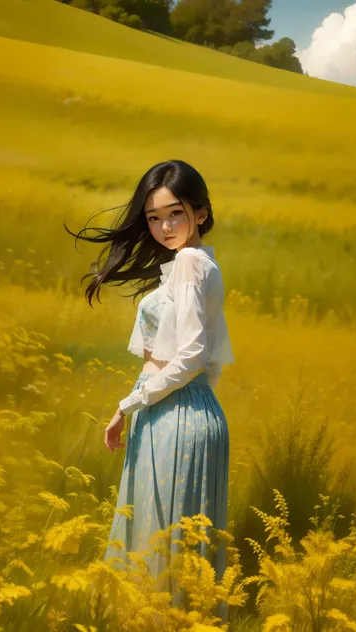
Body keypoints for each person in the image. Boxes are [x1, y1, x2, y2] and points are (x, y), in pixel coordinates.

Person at [65, 159, 235, 624]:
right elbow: (203, 364)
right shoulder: (203, 263)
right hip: (189, 410)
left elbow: (191, 356)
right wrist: (145, 403)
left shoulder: (189, 263)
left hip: (174, 414)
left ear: (200, 212)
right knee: (176, 547)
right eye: (154, 217)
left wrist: (129, 403)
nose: (163, 226)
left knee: (158, 543)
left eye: (174, 213)